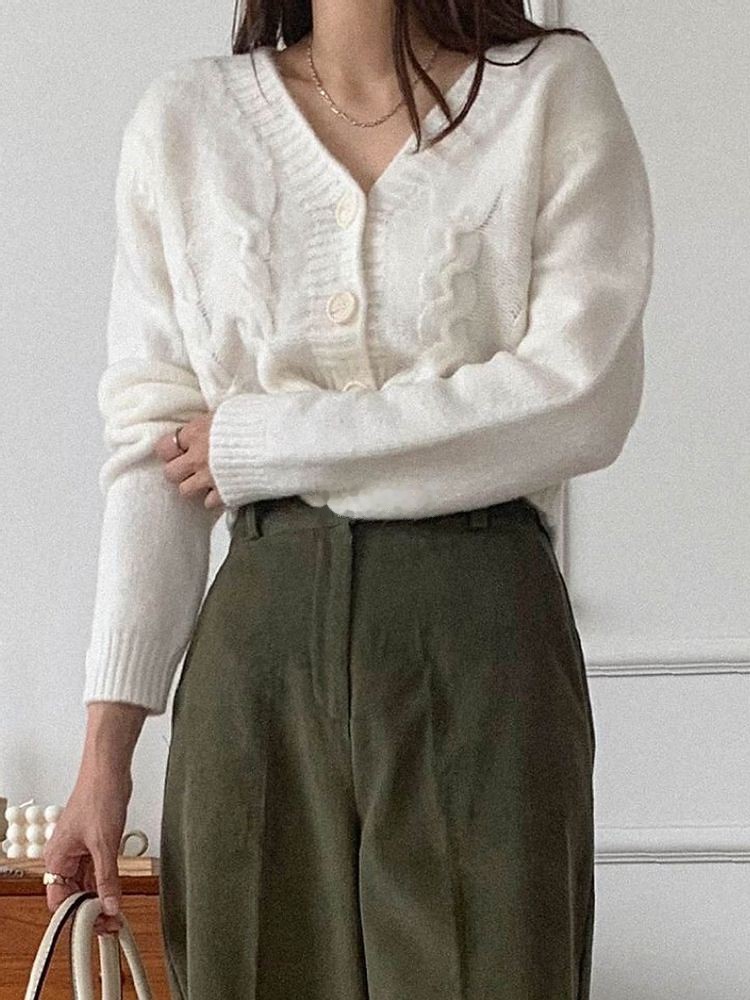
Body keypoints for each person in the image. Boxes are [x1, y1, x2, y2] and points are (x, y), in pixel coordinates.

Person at [43, 1, 654, 997]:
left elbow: (579, 400)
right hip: (258, 655)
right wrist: (104, 757)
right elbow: (154, 456)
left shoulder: (548, 94)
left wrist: (263, 441)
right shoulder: (185, 122)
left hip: (480, 634)